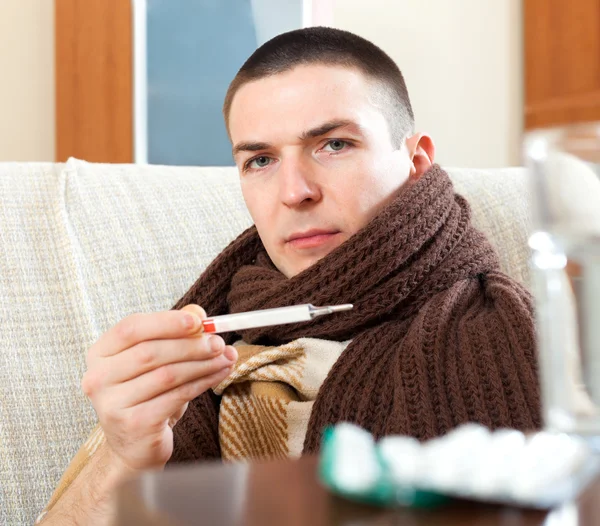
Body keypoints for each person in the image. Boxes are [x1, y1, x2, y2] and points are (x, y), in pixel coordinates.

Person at [37, 27, 541, 524]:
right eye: (260, 160)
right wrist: (124, 459)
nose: (294, 191)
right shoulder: (206, 336)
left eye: (334, 145)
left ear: (416, 160)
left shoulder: (500, 333)